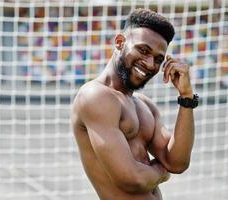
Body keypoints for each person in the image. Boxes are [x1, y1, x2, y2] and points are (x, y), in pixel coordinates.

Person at [71, 8, 198, 200]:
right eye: (143, 50)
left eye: (158, 59)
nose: (149, 64)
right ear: (120, 42)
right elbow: (131, 180)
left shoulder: (145, 106)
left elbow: (177, 162)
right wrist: (162, 171)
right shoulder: (95, 96)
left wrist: (186, 97)